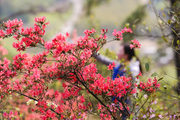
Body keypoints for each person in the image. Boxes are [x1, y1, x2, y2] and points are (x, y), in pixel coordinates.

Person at [93, 44, 142, 120]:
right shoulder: (118, 64)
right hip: (117, 102)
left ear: (126, 55)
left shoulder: (132, 67)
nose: (118, 53)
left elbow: (134, 75)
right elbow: (103, 60)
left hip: (128, 103)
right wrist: (93, 52)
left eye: (120, 51)